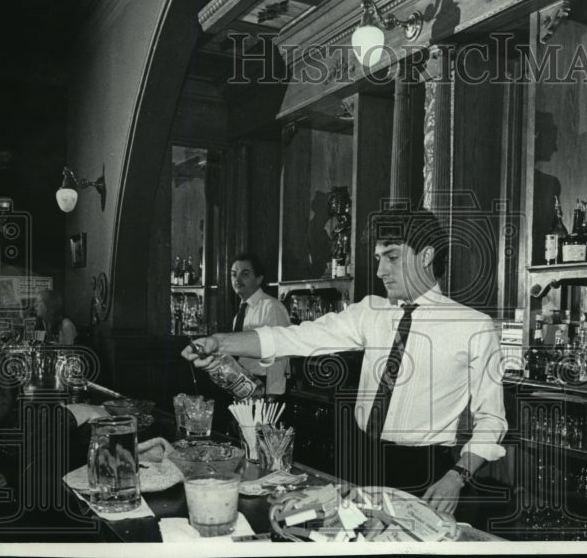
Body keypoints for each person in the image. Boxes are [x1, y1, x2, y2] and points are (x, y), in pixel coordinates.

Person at [182, 209, 507, 516]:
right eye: (378, 258)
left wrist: (458, 475)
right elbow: (293, 337)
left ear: (426, 256)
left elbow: (492, 419)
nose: (380, 271)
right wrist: (220, 342)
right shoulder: (370, 311)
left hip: (425, 472)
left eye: (392, 257)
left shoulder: (473, 327)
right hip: (360, 458)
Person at [229, 252, 291, 397]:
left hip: (264, 386)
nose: (237, 279)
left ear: (258, 279)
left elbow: (279, 355)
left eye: (245, 274)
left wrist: (273, 394)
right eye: (233, 274)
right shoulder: (240, 313)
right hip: (242, 385)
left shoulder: (271, 307)